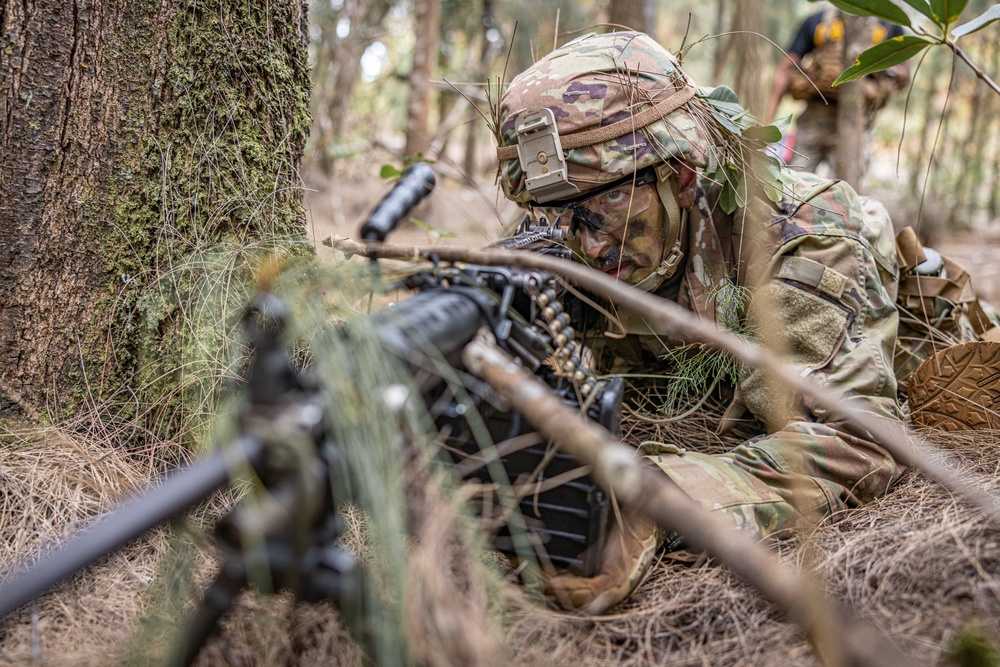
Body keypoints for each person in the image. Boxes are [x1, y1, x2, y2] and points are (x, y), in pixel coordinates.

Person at [494, 30, 907, 613]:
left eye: (601, 209)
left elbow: (856, 442)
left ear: (683, 175)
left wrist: (655, 498)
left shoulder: (802, 235)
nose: (581, 245)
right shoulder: (575, 236)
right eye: (552, 215)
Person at [764, 5, 910, 178]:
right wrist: (767, 124)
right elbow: (785, 70)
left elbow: (903, 75)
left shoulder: (890, 28)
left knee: (844, 193)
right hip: (815, 117)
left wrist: (887, 72)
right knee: (793, 185)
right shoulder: (817, 22)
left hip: (857, 120)